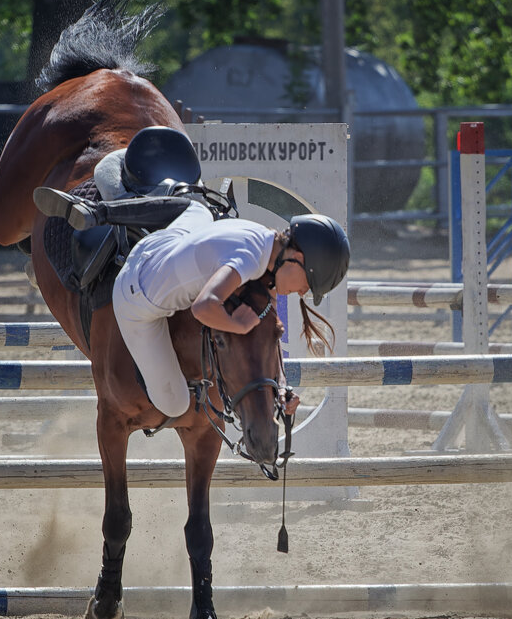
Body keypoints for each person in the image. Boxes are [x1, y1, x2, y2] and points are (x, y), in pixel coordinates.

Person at [34, 130, 350, 419]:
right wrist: (236, 324)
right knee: (176, 404)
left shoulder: (263, 242)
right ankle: (99, 215)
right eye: (306, 285)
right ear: (296, 258)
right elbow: (203, 308)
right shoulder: (248, 260)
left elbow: (269, 340)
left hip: (165, 242)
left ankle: (101, 211)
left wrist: (281, 388)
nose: (299, 293)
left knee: (197, 208)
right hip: (136, 296)